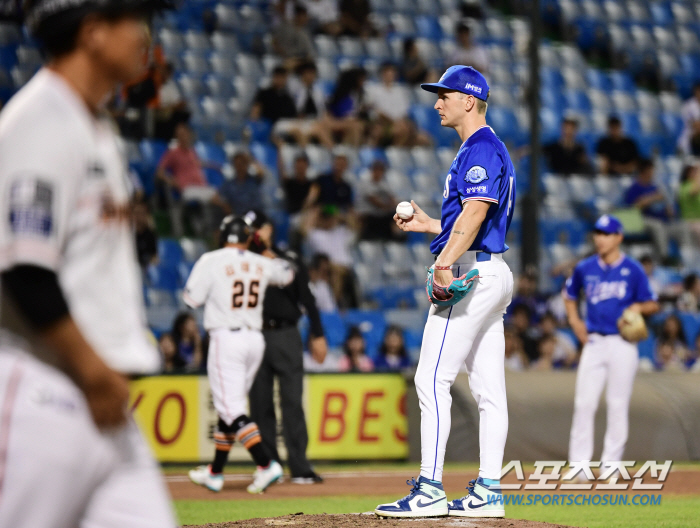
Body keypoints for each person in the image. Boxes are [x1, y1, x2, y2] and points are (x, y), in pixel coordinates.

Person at [0, 2, 177, 527]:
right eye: (133, 19)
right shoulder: (39, 121)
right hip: (43, 388)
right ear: (94, 32)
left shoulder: (92, 125)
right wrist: (93, 370)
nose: (145, 34)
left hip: (101, 400)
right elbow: (23, 270)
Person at [375, 65, 516, 518]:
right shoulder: (485, 148)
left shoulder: (480, 148)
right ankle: (489, 491)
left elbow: (475, 213)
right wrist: (431, 227)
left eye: (446, 94)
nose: (437, 102)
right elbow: (475, 222)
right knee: (489, 389)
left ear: (469, 101)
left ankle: (430, 487)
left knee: (429, 378)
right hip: (492, 270)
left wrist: (442, 262)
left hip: (473, 275)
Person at [185, 215, 294, 494]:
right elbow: (287, 273)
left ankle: (265, 463)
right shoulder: (260, 261)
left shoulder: (211, 259)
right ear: (248, 238)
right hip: (254, 340)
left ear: (223, 236)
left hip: (226, 337)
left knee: (231, 408)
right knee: (229, 408)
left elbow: (191, 298)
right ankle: (215, 472)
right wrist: (265, 250)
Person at [563, 214, 659, 475]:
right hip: (594, 341)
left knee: (617, 404)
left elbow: (653, 302)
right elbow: (569, 295)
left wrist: (637, 306)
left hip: (623, 344)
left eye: (606, 234)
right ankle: (579, 467)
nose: (600, 238)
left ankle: (611, 467)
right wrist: (574, 322)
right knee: (585, 403)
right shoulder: (585, 268)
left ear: (619, 237)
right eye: (598, 233)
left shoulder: (633, 269)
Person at [246, 210, 328, 485]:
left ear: (269, 229)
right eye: (250, 229)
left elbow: (308, 298)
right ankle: (270, 466)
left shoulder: (288, 259)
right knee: (260, 403)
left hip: (286, 333)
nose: (254, 233)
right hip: (254, 333)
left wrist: (317, 334)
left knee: (292, 400)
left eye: (258, 227)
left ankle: (300, 466)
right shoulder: (241, 261)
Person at [623, 159, 691, 263]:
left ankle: (687, 258)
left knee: (682, 227)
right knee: (657, 226)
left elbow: (664, 206)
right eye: (650, 170)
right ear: (644, 171)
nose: (652, 173)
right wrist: (651, 199)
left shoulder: (656, 187)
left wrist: (668, 211)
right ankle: (664, 258)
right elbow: (632, 209)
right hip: (643, 220)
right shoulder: (634, 188)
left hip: (663, 220)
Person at [365, 62, 422, 147]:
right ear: (382, 74)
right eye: (387, 73)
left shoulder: (401, 90)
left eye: (392, 73)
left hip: (398, 122)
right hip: (382, 123)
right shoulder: (373, 90)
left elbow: (404, 111)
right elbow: (373, 110)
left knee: (423, 138)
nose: (390, 76)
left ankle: (397, 151)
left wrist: (398, 121)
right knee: (398, 129)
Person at [212, 151, 266, 216]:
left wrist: (251, 160)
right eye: (237, 164)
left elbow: (262, 172)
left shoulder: (254, 180)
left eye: (243, 163)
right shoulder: (229, 184)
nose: (240, 167)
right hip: (239, 216)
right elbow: (214, 199)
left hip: (256, 215)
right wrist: (224, 205)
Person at [356, 159, 397, 240]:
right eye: (376, 169)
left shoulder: (384, 184)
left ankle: (393, 238)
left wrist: (392, 205)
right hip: (368, 213)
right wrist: (388, 207)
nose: (378, 172)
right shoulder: (365, 183)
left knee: (397, 215)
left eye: (381, 170)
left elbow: (392, 198)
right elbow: (374, 201)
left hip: (382, 213)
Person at [678, 164, 700, 246]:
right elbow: (693, 192)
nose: (695, 173)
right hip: (691, 221)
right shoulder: (685, 186)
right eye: (693, 171)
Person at [134, 199, 158, 270]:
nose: (139, 216)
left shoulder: (150, 234)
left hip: (145, 268)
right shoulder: (127, 235)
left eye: (142, 213)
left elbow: (154, 256)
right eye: (136, 213)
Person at [678, 82, 700, 155]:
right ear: (695, 91)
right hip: (689, 132)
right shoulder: (688, 105)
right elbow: (690, 123)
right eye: (698, 91)